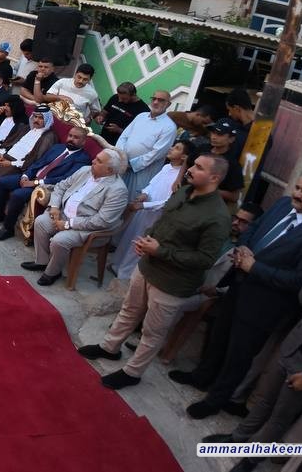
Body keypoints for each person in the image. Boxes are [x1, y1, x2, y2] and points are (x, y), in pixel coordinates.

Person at [171, 169, 302, 420]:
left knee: (238, 355)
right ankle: (201, 377)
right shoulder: (282, 204)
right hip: (239, 286)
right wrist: (243, 247)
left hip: (264, 305)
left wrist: (254, 267)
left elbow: (299, 280)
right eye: (297, 187)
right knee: (218, 336)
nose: (297, 194)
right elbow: (253, 228)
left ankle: (215, 400)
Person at [205, 228, 302, 472]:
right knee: (264, 400)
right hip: (291, 345)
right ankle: (237, 438)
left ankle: (250, 460)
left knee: (280, 417)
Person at [77, 153, 231, 389]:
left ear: (214, 178)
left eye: (199, 167)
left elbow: (205, 259)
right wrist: (148, 240)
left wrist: (160, 251)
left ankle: (133, 372)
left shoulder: (217, 216)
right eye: (193, 164)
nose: (190, 169)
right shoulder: (183, 191)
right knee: (129, 311)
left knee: (152, 331)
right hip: (147, 266)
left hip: (172, 282)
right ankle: (109, 347)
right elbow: (163, 221)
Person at [21, 148, 130, 286]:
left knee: (59, 241)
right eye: (95, 158)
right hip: (62, 214)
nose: (93, 161)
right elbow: (61, 186)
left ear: (109, 170)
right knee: (41, 222)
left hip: (86, 228)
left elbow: (102, 221)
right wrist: (54, 207)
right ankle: (42, 261)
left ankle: (53, 272)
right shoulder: (85, 170)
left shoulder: (118, 190)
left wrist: (68, 224)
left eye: (98, 161)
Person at [0, 126, 92, 241]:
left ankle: (7, 229)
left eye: (76, 138)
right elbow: (39, 163)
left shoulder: (83, 159)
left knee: (17, 195)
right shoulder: (58, 148)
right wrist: (25, 176)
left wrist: (35, 182)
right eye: (70, 136)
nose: (71, 139)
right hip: (32, 177)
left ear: (83, 142)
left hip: (45, 186)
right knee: (2, 181)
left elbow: (65, 179)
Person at [110, 140, 191, 280]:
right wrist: (144, 194)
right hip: (143, 210)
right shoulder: (166, 167)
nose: (171, 148)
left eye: (177, 148)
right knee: (129, 237)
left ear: (184, 157)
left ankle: (125, 274)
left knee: (140, 242)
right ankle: (116, 265)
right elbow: (152, 184)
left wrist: (144, 205)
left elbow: (168, 201)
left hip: (155, 215)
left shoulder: (182, 178)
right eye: (173, 146)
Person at [115, 90, 178, 197]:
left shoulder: (169, 127)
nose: (156, 102)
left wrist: (131, 165)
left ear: (168, 104)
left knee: (131, 200)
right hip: (122, 165)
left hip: (142, 173)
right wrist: (120, 156)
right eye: (154, 99)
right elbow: (123, 137)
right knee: (114, 196)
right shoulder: (141, 116)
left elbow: (157, 153)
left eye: (161, 100)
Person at [205, 118, 247, 206]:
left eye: (219, 134)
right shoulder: (203, 148)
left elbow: (235, 196)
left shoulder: (232, 164)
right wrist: (178, 180)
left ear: (231, 139)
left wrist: (210, 190)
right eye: (213, 132)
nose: (213, 137)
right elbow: (188, 161)